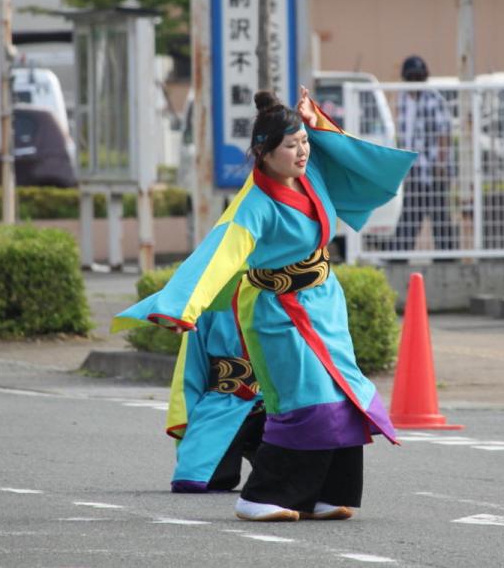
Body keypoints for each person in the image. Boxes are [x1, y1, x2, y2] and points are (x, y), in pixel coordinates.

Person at [113, 87, 414, 522]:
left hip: (325, 304)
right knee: (307, 401)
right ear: (263, 152)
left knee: (345, 395)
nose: (302, 152)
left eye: (304, 143)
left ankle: (326, 493)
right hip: (279, 313)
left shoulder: (313, 173)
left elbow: (353, 162)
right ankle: (263, 495)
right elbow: (218, 256)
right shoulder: (254, 205)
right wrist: (186, 307)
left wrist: (318, 123)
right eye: (291, 145)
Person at [167, 272, 265, 494]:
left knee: (294, 481)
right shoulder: (212, 294)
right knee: (193, 480)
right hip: (222, 405)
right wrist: (189, 433)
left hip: (280, 408)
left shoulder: (293, 285)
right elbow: (193, 366)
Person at [391, 55, 456, 253]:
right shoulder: (402, 99)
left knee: (439, 214)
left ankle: (446, 256)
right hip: (413, 168)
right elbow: (402, 135)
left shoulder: (434, 98)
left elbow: (444, 133)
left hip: (434, 168)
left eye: (418, 77)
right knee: (411, 214)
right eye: (411, 77)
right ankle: (399, 255)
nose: (415, 82)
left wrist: (441, 164)